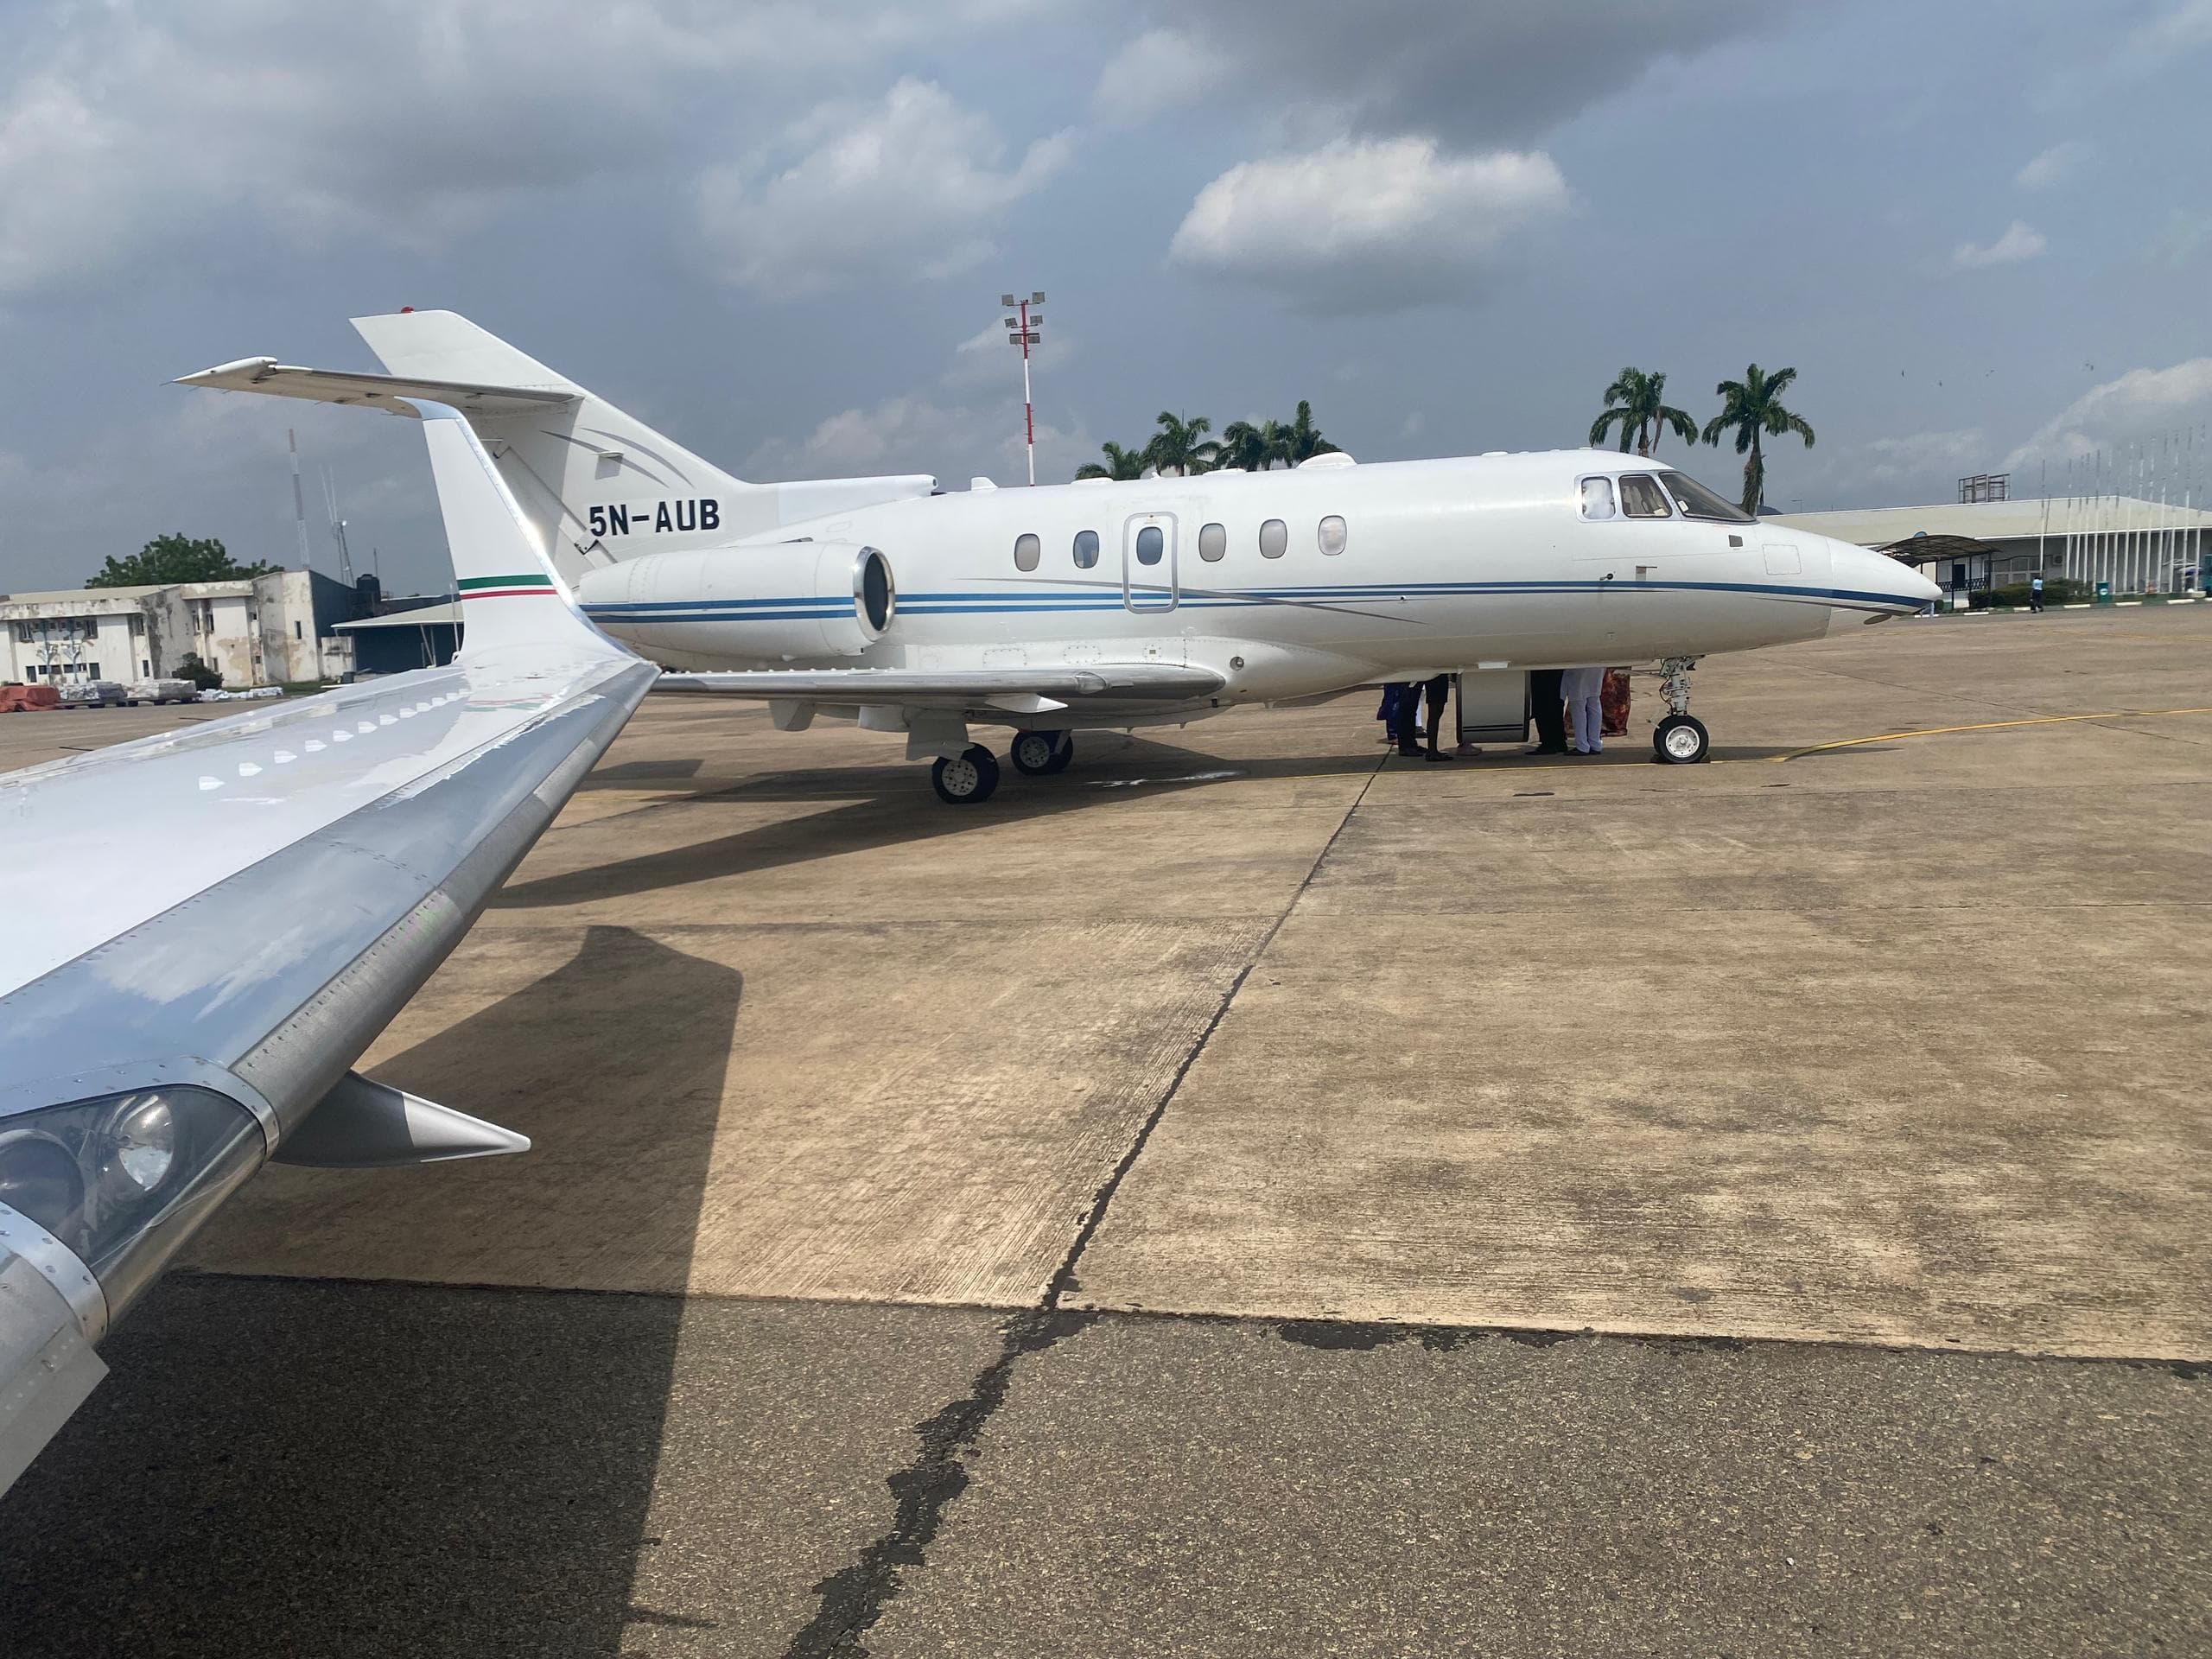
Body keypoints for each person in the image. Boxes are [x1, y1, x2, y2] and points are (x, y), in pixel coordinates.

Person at [1564, 665, 1605, 755]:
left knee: (1578, 706)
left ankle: (1582, 745)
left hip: (1579, 670)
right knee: (1594, 703)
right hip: (1596, 667)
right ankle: (1595, 743)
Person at [1527, 668, 1567, 755]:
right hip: (1556, 671)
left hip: (1542, 672)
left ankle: (1548, 743)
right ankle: (1559, 741)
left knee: (1542, 705)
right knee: (1556, 705)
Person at [1422, 674, 1453, 762]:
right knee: (1435, 714)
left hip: (1436, 678)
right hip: (1437, 678)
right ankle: (1432, 751)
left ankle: (1432, 750)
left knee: (1435, 714)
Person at [1395, 680, 1424, 756]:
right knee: (1406, 709)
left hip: (1414, 679)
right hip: (1409, 679)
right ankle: (1406, 746)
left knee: (1411, 710)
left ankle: (1411, 744)